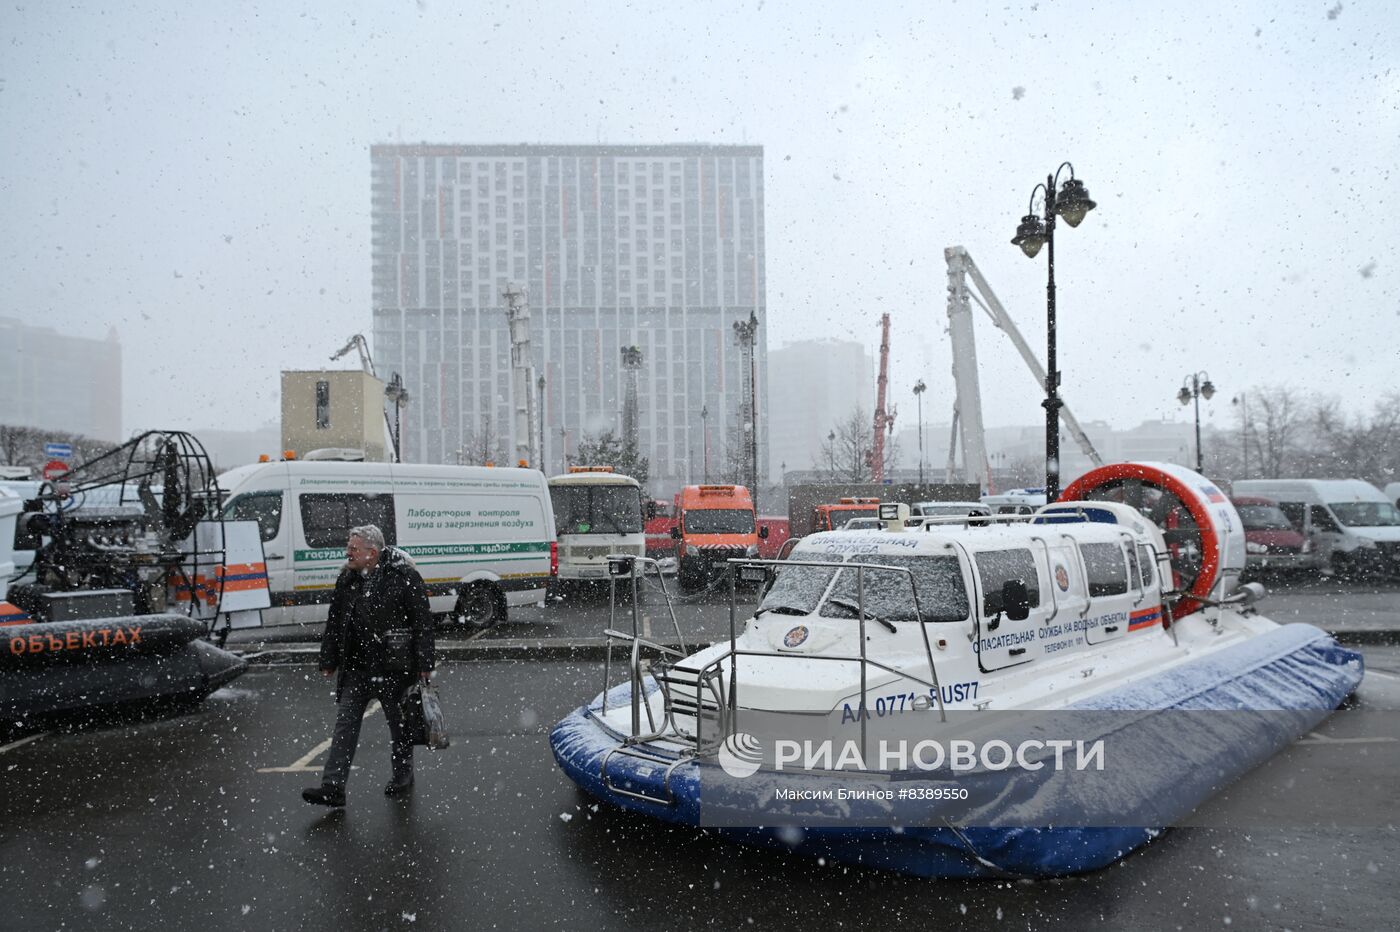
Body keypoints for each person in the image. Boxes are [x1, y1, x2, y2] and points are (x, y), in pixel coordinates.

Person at [302, 524, 434, 806]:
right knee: (344, 727)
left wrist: (424, 663)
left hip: (393, 668)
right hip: (357, 669)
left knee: (399, 727)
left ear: (372, 553)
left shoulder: (403, 576)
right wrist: (329, 659)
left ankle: (402, 775)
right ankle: (333, 788)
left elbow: (422, 622)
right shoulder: (347, 579)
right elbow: (335, 622)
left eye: (353, 548)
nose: (347, 553)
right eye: (348, 547)